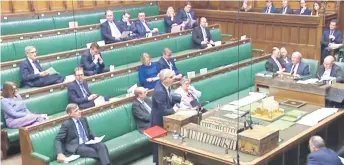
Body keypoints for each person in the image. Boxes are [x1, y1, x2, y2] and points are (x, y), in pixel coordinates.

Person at [151, 69, 179, 165]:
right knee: (160, 148)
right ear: (164, 79)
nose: (174, 78)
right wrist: (175, 110)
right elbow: (163, 111)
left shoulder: (167, 86)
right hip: (158, 122)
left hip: (165, 120)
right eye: (171, 77)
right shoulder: (159, 91)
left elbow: (169, 101)